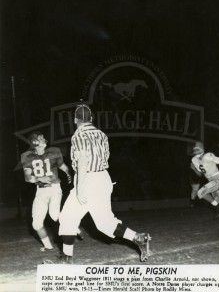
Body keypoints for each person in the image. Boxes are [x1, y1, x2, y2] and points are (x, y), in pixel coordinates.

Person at [46, 104, 151, 264]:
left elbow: (82, 161)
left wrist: (80, 188)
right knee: (104, 223)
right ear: (91, 118)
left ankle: (67, 259)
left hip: (88, 179)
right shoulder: (101, 134)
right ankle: (138, 238)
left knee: (68, 217)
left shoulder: (78, 135)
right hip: (103, 178)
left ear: (76, 120)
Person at [21, 131, 74, 251]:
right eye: (41, 138)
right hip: (40, 191)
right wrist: (40, 178)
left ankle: (73, 226)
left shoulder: (53, 152)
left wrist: (69, 173)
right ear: (35, 142)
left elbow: (62, 166)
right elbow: (27, 177)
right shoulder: (28, 156)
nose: (44, 138)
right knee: (36, 224)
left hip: (55, 188)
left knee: (54, 215)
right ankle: (48, 246)